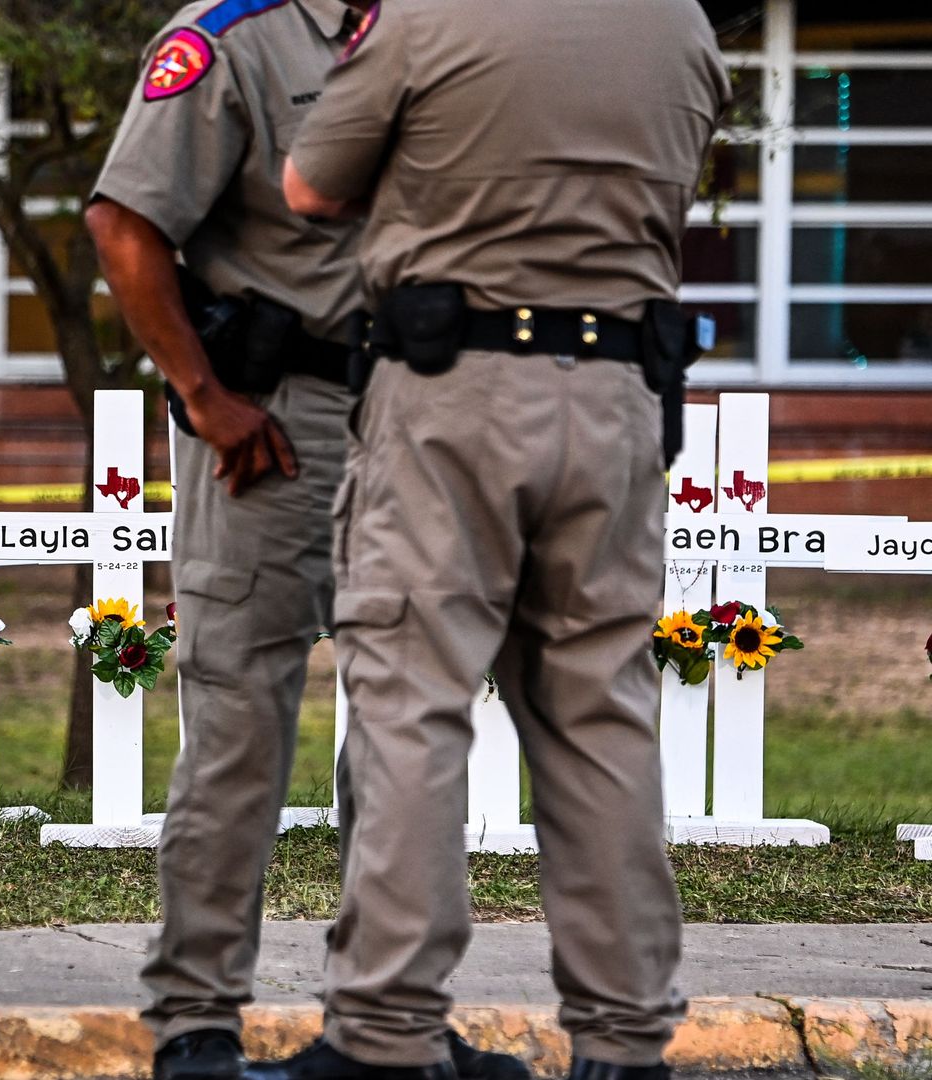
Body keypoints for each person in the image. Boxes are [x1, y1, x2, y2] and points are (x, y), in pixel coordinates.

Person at [276, 1, 730, 1079]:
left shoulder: (429, 15)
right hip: (622, 392)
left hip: (455, 389)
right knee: (601, 715)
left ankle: (388, 1034)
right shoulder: (681, 24)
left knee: (413, 702)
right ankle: (625, 1042)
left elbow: (309, 186)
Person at [86, 3, 525, 1079]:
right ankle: (197, 1019)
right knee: (239, 726)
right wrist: (201, 395)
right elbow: (123, 222)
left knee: (408, 733)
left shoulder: (448, 33)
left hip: (419, 417)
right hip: (274, 426)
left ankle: (388, 1024)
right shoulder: (236, 37)